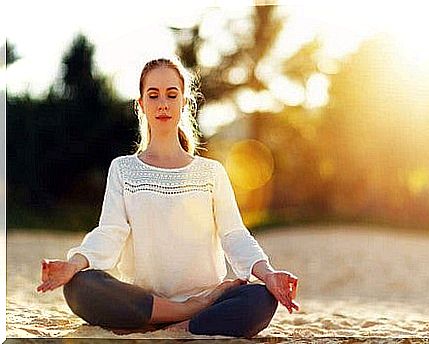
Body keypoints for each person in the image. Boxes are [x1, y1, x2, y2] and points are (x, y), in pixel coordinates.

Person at [36, 56, 299, 338]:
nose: (163, 103)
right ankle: (190, 312)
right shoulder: (123, 169)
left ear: (183, 103)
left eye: (172, 95)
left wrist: (270, 276)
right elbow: (110, 232)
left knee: (261, 298)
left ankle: (185, 321)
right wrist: (73, 265)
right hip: (145, 300)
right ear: (141, 105)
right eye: (154, 95)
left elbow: (234, 235)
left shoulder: (210, 172)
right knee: (79, 287)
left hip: (204, 296)